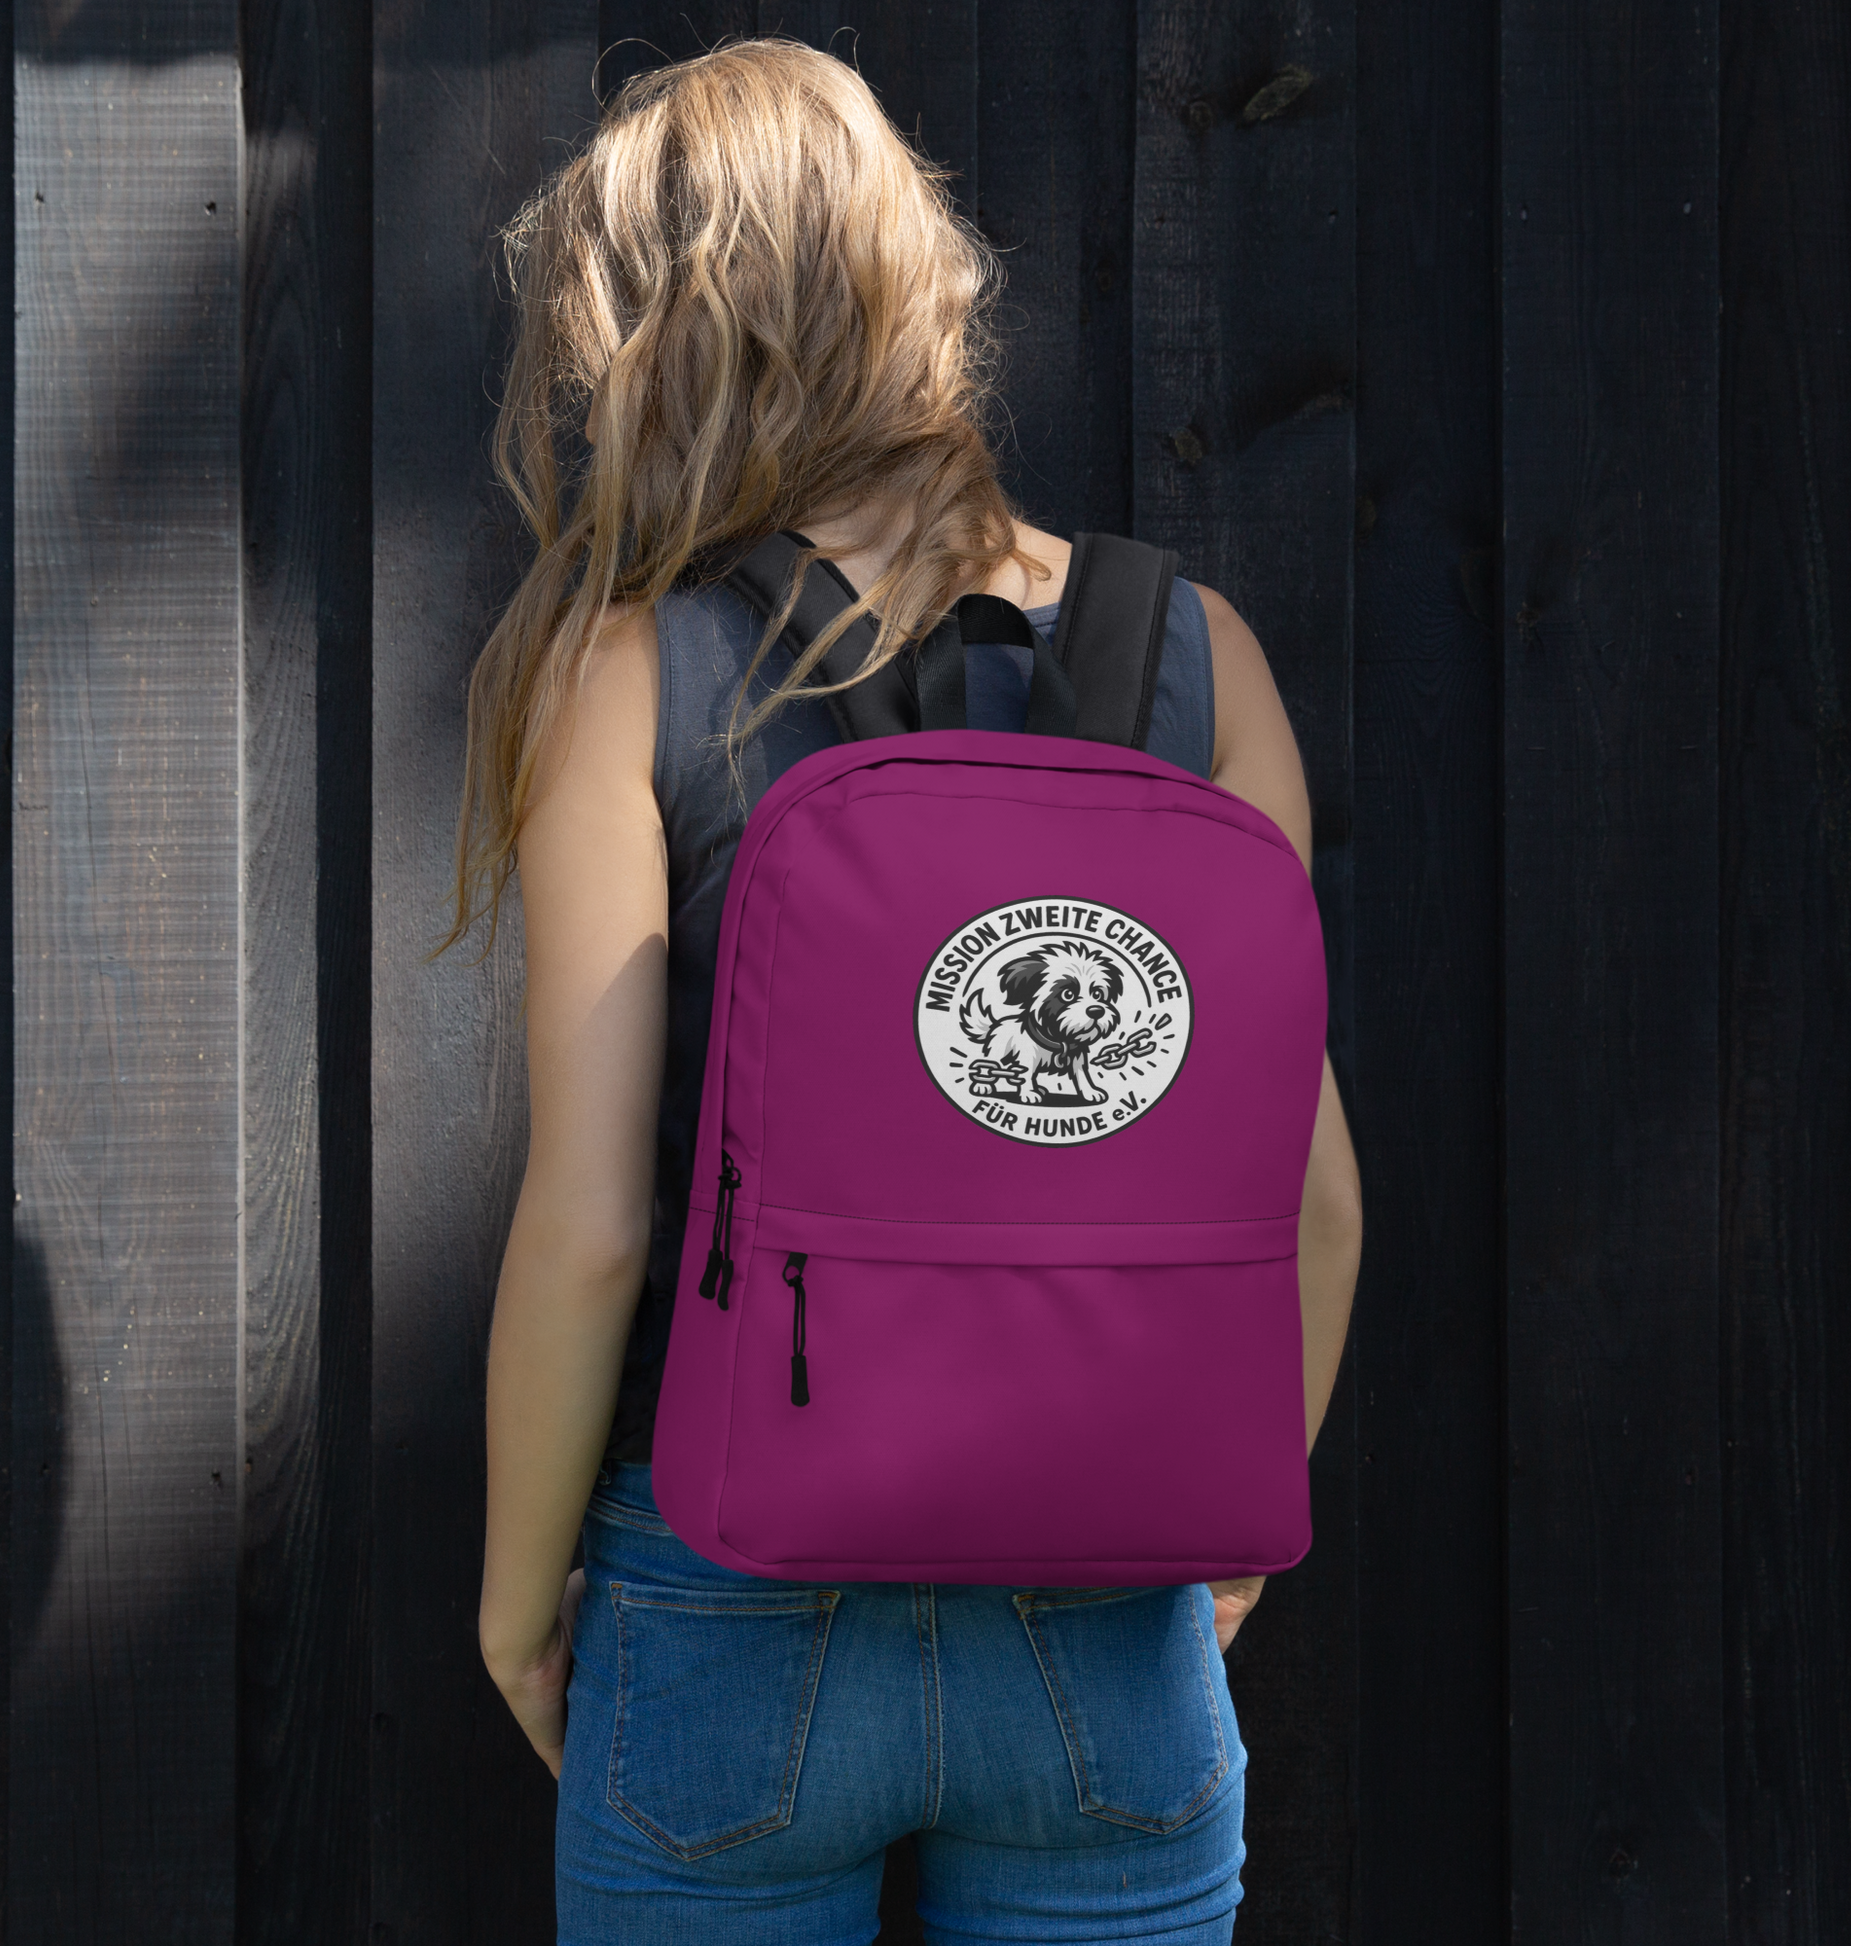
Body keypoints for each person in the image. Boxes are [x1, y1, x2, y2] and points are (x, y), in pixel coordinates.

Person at [441, 38, 1362, 1946]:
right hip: (1106, 1603)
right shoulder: (1198, 656)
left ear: (650, 339)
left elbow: (596, 1225)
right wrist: (1225, 1552)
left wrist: (521, 1607)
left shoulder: (633, 669)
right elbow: (1319, 1204)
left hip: (725, 1583)